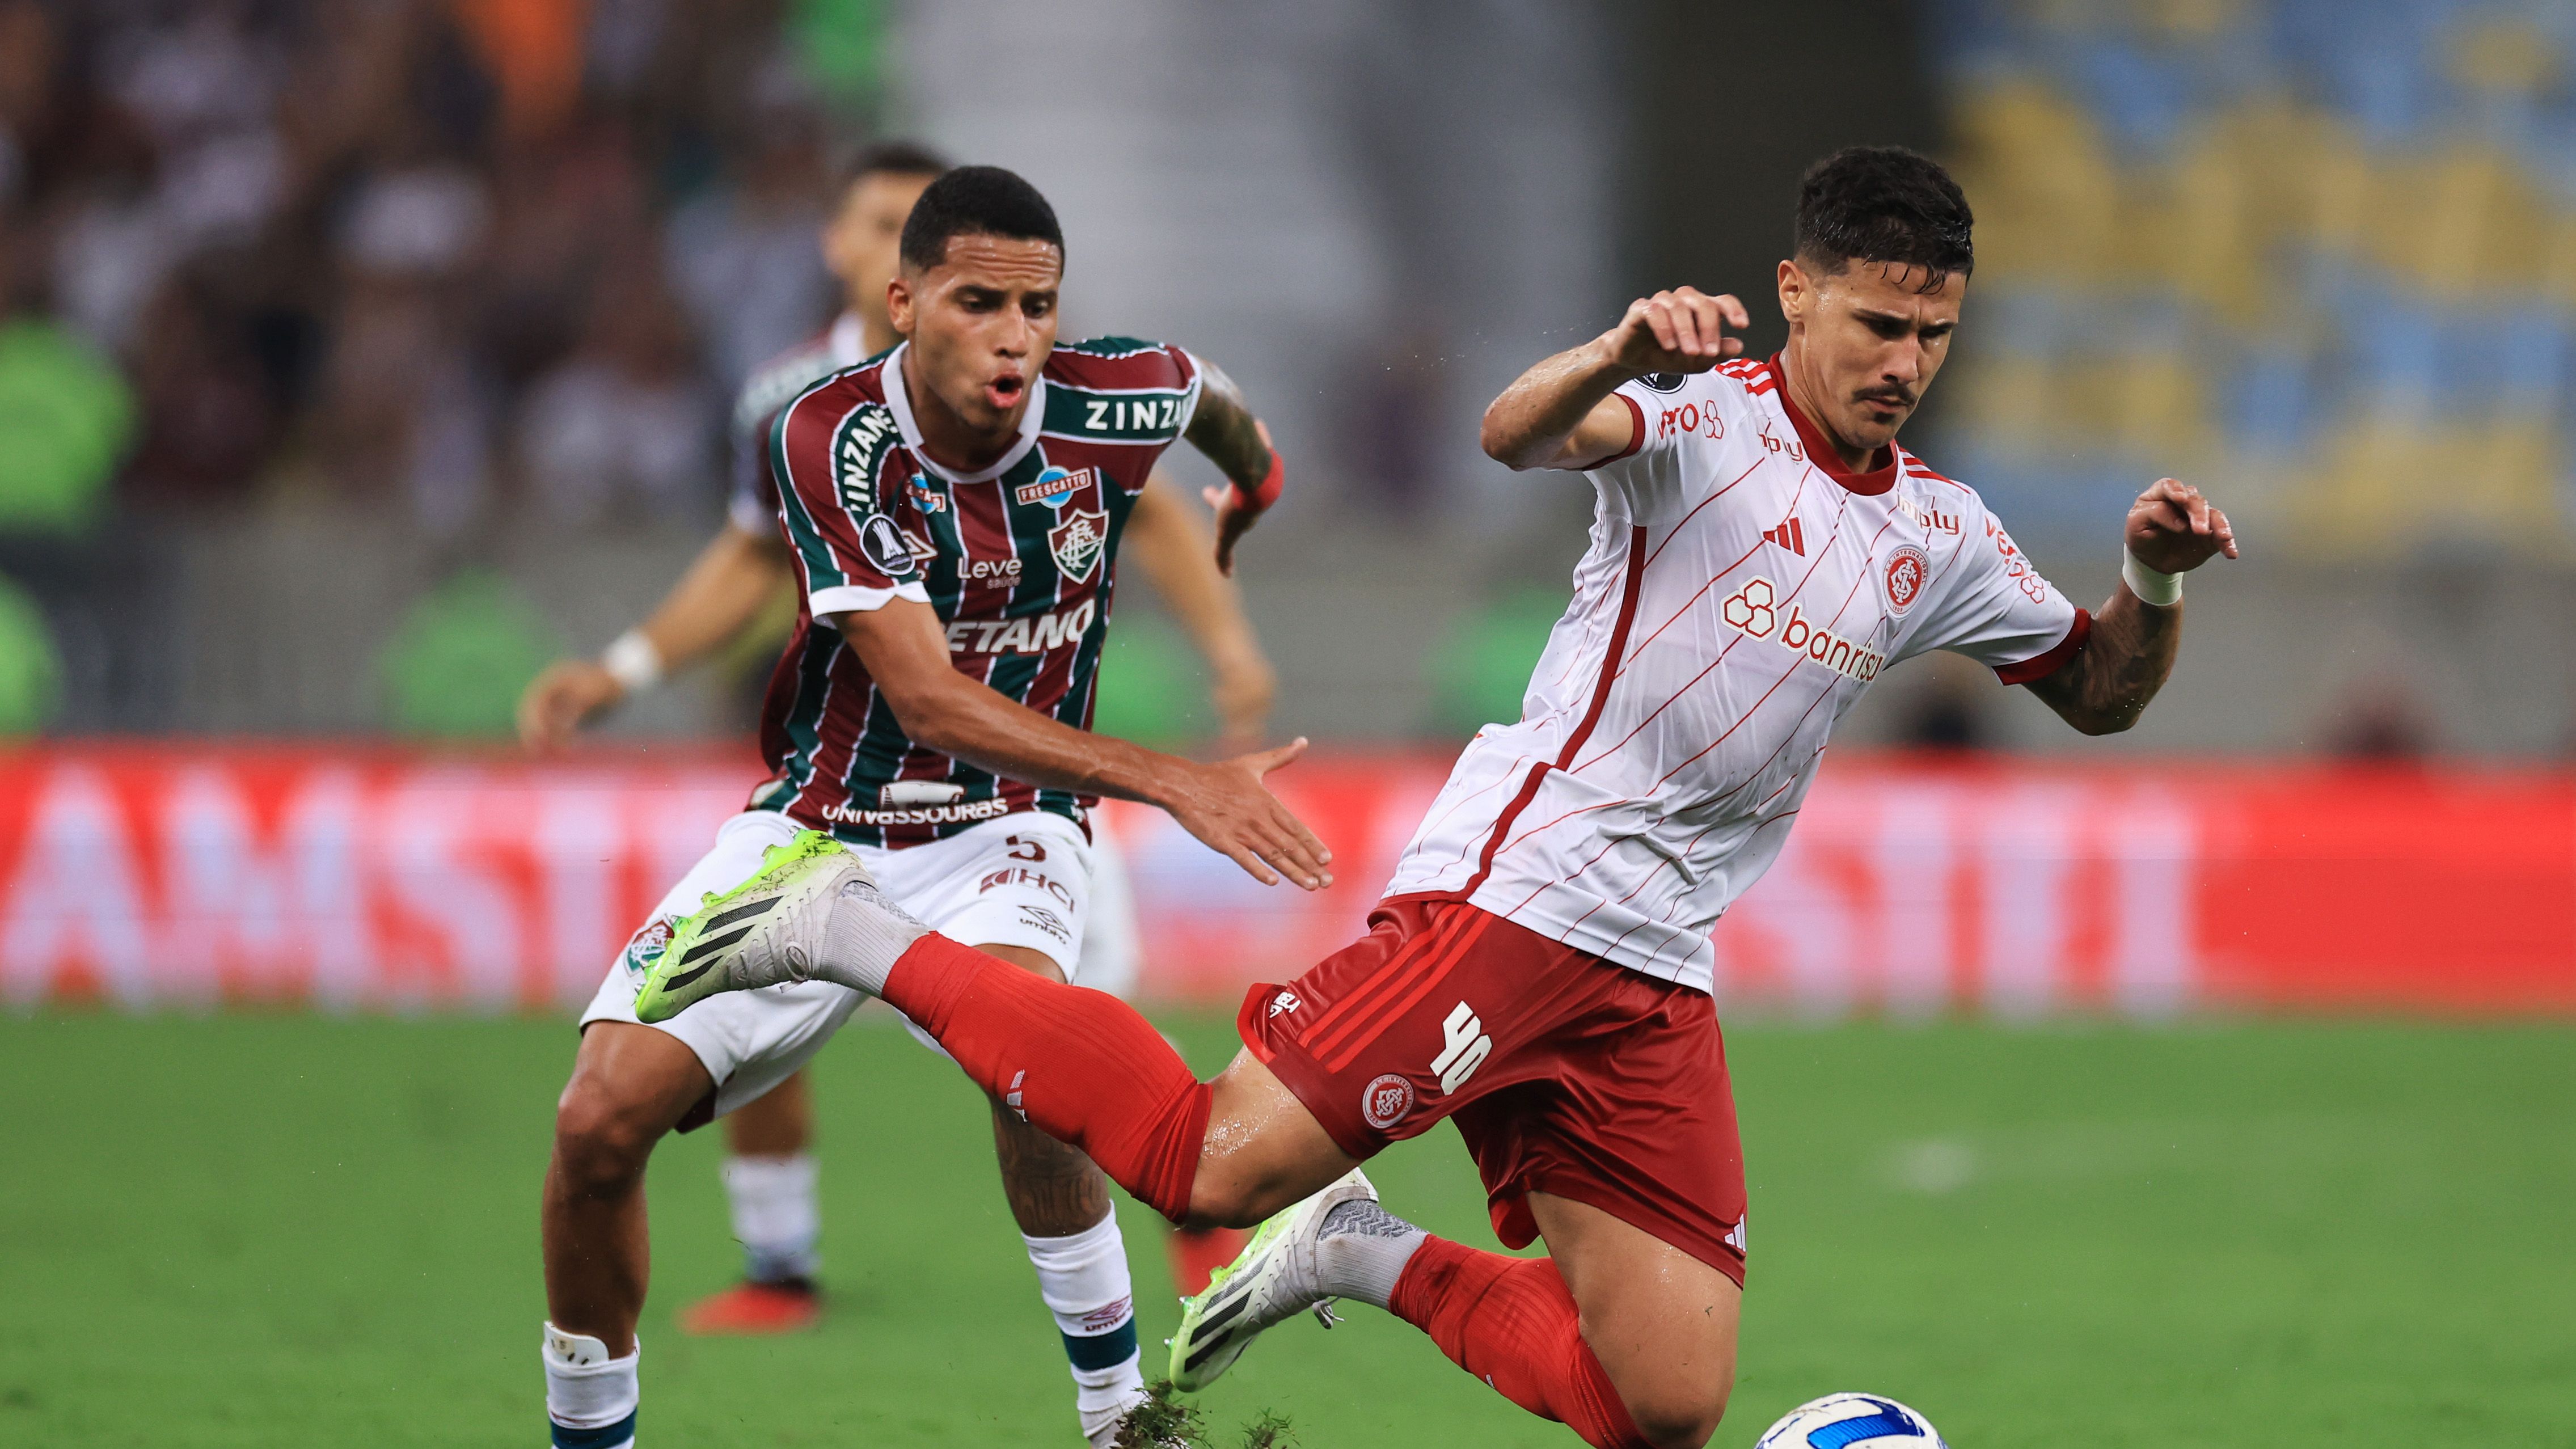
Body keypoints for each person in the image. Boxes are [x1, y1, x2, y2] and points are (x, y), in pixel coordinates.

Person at [631, 146, 2239, 1449]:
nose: (1902, 364)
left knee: (1664, 1401)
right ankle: (839, 919)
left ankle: (1361, 1251)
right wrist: (1614, 345)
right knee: (1203, 1164)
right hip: (1517, 891)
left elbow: (2093, 689)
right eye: (1875, 326)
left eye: (1931, 335)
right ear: (1793, 295)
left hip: (1655, 964)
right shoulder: (1695, 416)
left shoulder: (1941, 533)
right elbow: (1511, 431)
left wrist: (2146, 584)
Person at [535, 163, 1318, 1449]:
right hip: (819, 828)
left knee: (1033, 1064)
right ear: (903, 303)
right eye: (977, 302)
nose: (1015, 335)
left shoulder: (1119, 395)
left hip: (1009, 824)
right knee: (597, 1121)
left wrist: (1258, 483)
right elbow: (930, 698)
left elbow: (1213, 401)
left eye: (1038, 305)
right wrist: (1175, 779)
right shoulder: (829, 437)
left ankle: (1122, 1417)